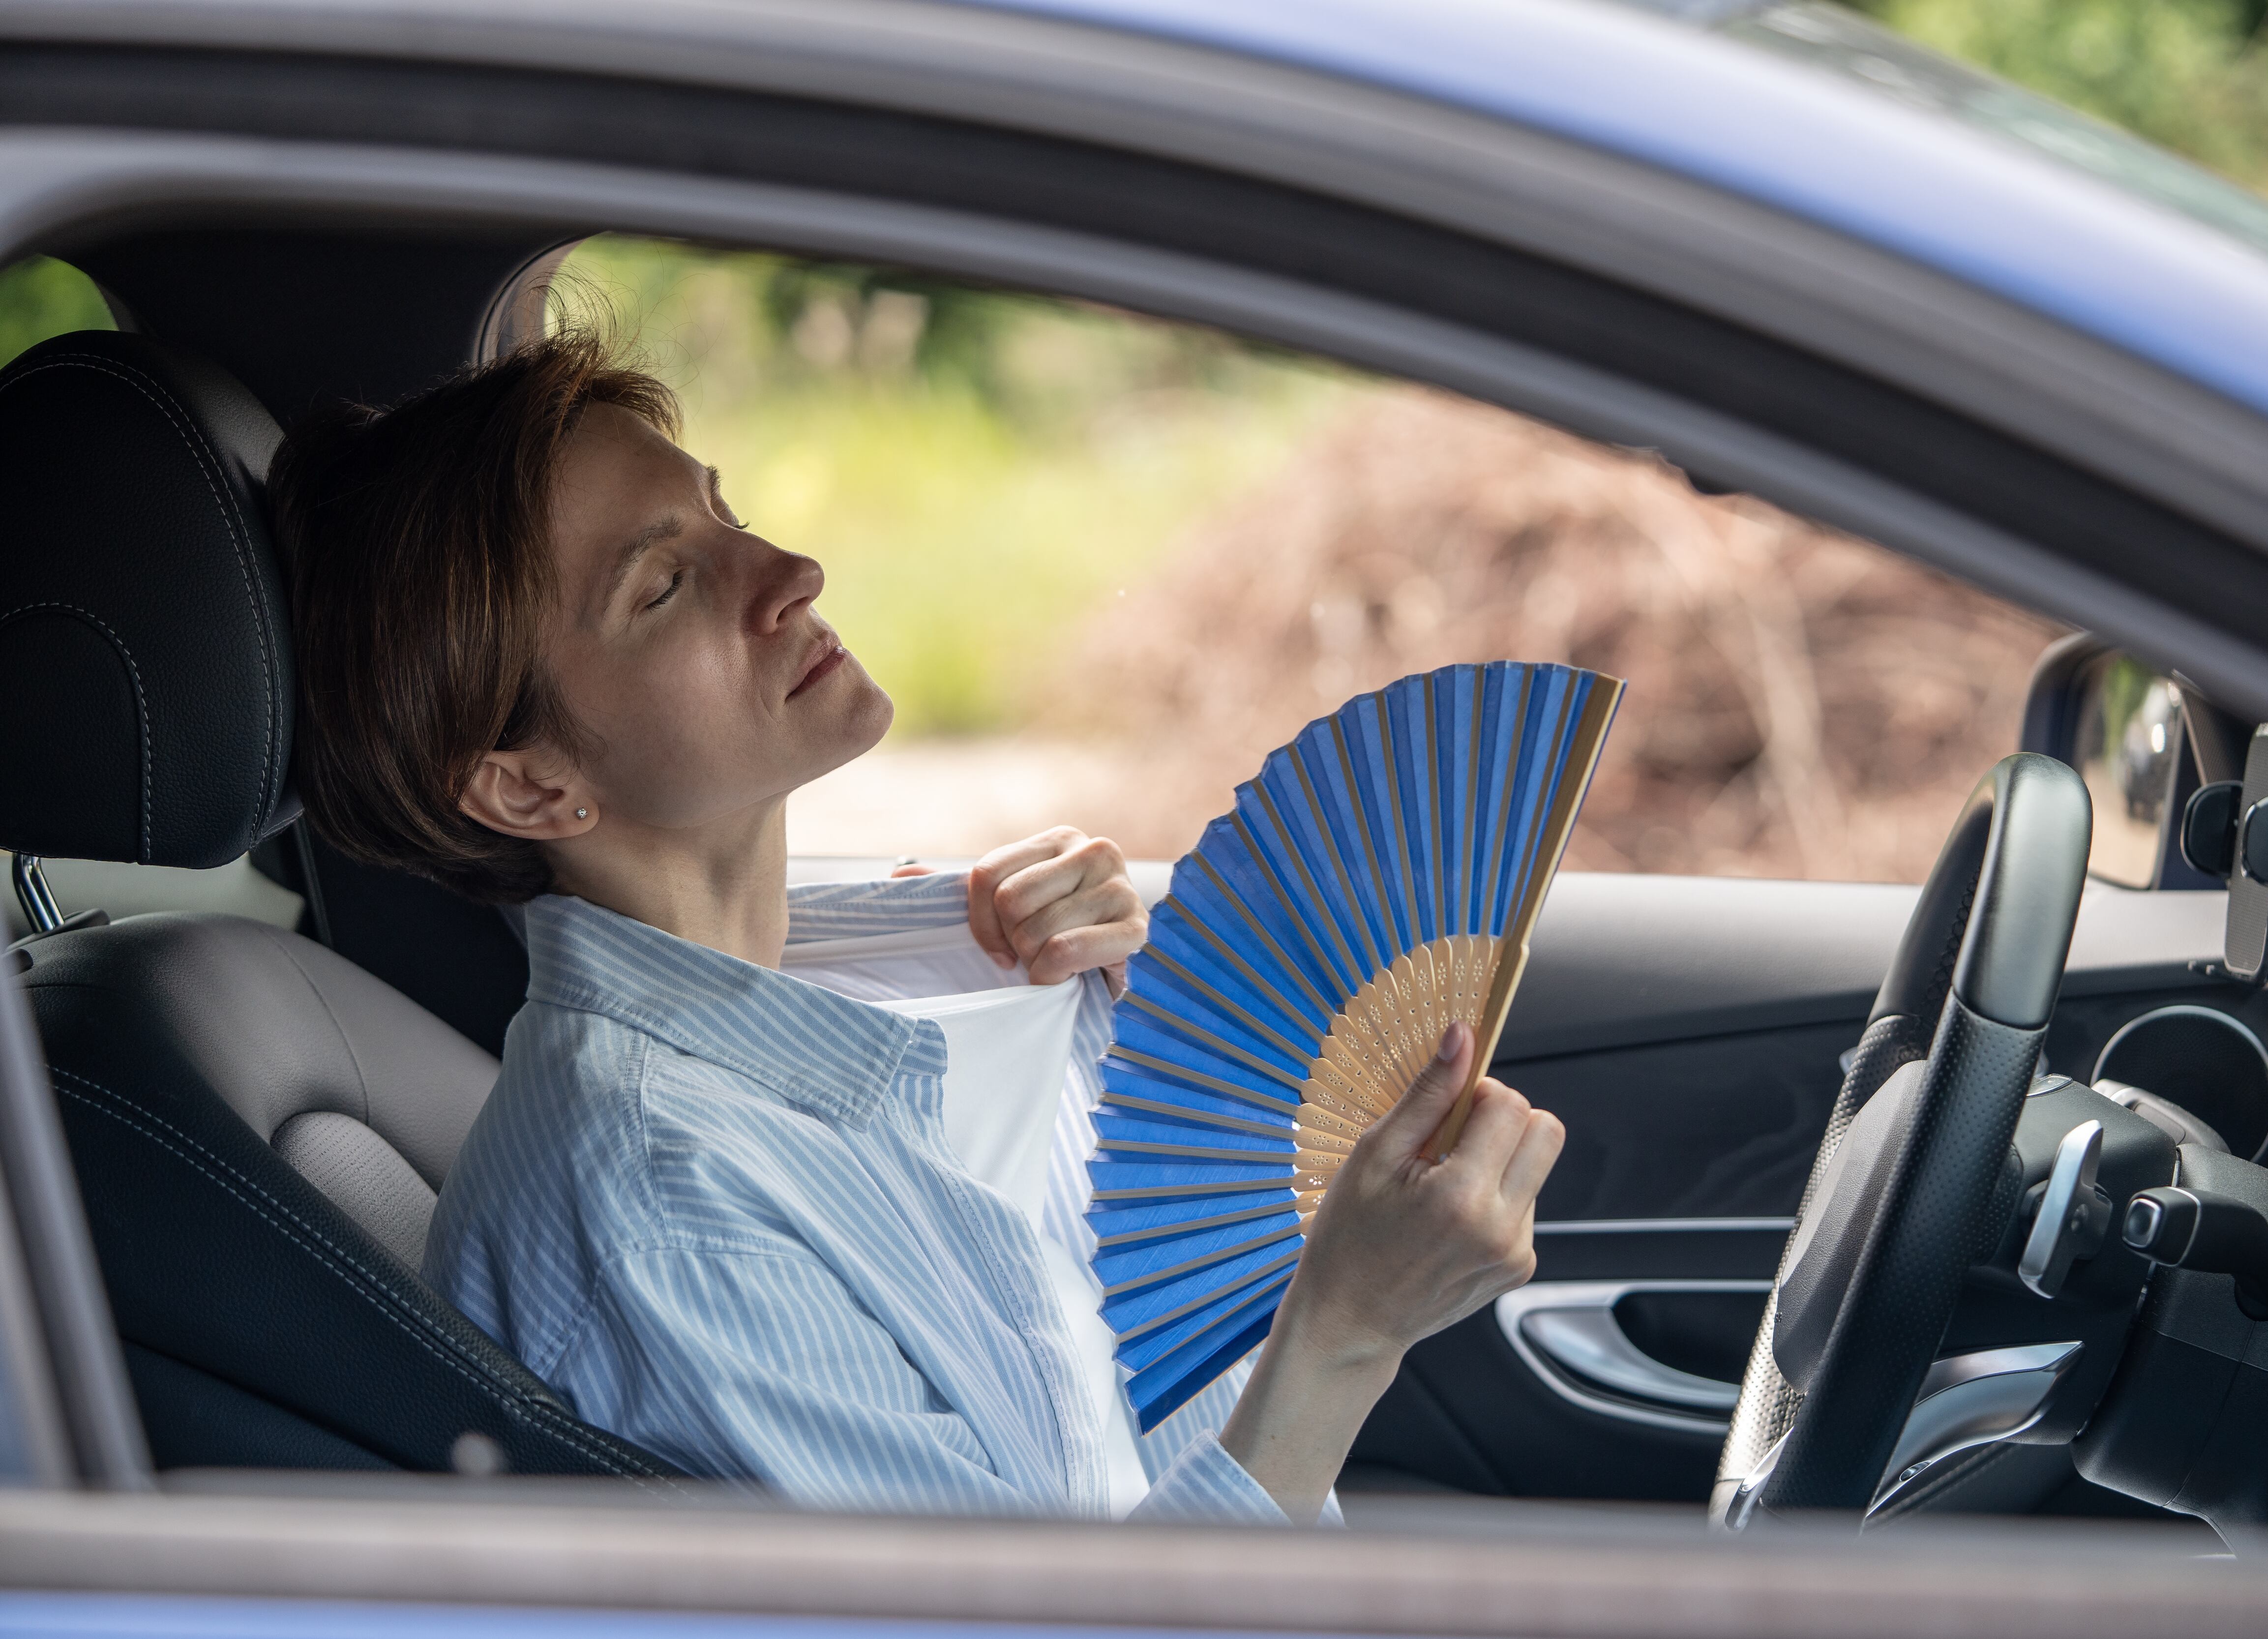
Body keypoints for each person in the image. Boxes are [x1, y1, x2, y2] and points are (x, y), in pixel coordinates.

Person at [271, 328, 1565, 1526]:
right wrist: (1344, 1335)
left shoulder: (944, 966)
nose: (789, 572)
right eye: (665, 585)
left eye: (723, 512)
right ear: (532, 786)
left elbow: (1120, 1406)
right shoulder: (665, 1204)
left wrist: (1085, 990)